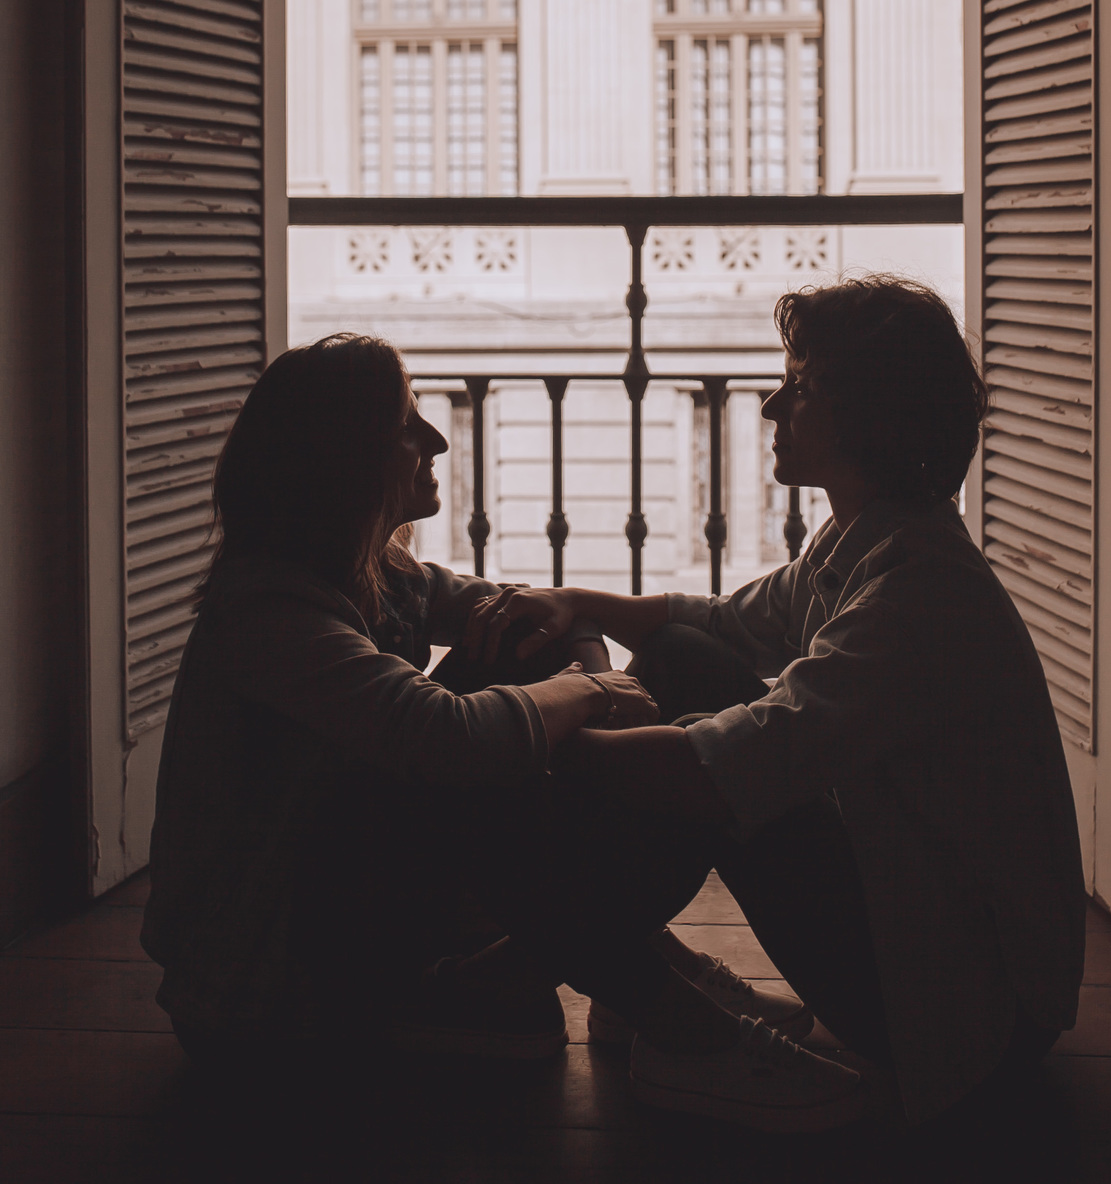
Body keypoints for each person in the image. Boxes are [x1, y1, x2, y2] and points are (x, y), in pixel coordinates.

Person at [142, 333, 865, 1135]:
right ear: (345, 458)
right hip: (268, 1003)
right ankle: (674, 1020)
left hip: (346, 917)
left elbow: (528, 614)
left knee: (665, 658)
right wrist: (588, 694)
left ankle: (627, 969)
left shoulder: (373, 575)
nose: (437, 439)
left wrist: (590, 689)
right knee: (487, 753)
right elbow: (446, 737)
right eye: (408, 425)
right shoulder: (268, 615)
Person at [465, 277, 1088, 1125]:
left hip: (967, 1015)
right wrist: (577, 604)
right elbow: (722, 625)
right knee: (684, 659)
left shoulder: (920, 593)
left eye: (800, 386)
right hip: (936, 944)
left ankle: (630, 995)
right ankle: (619, 971)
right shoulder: (874, 537)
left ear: (869, 413)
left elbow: (721, 770)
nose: (769, 405)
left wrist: (537, 732)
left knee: (701, 757)